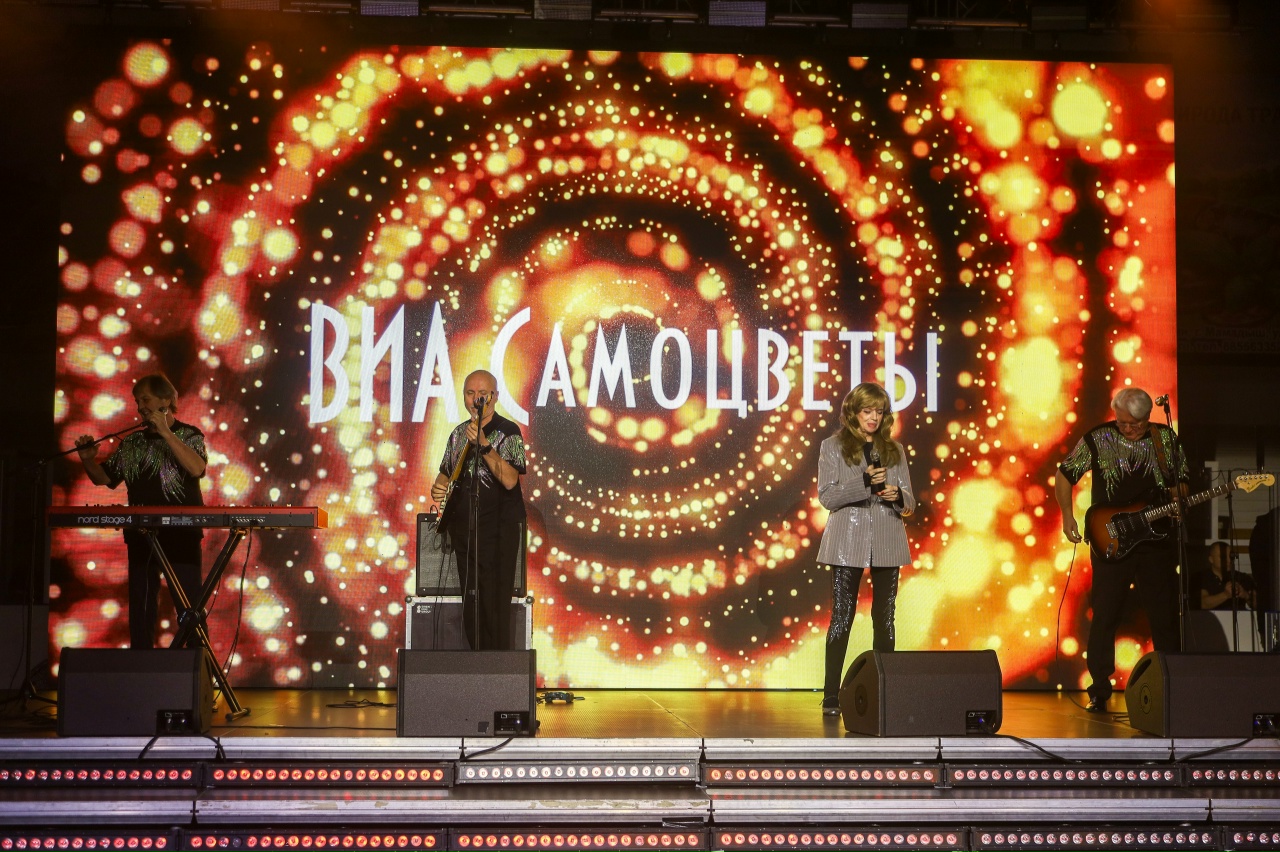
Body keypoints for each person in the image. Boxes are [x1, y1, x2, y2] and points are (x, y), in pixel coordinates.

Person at [1055, 387, 1188, 713]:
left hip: (1155, 541)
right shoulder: (1098, 438)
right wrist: (1067, 515)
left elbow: (1182, 483)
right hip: (1111, 537)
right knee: (1105, 614)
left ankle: (1170, 684)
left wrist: (1177, 500)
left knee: (1164, 614)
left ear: (1148, 418)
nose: (1129, 429)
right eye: (1123, 423)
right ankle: (1100, 689)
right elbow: (1064, 474)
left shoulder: (1164, 439)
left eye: (1136, 424)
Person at [75, 373, 208, 649]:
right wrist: (88, 460)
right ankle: (141, 663)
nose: (140, 407)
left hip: (182, 533)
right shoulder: (132, 443)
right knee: (141, 606)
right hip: (141, 534)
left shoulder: (190, 435)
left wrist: (166, 433)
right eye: (137, 401)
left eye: (145, 400)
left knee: (189, 605)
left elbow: (197, 468)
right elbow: (104, 478)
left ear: (166, 400)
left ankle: (198, 664)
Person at [816, 382, 916, 716]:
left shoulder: (894, 450)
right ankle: (831, 695)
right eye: (867, 411)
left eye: (879, 412)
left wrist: (897, 495)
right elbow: (827, 496)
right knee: (842, 615)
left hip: (887, 536)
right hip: (847, 541)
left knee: (884, 617)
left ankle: (884, 691)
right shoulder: (832, 447)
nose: (873, 418)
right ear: (853, 412)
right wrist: (863, 483)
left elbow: (910, 501)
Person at [429, 370, 527, 650]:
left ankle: (497, 665)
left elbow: (510, 480)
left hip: (498, 531)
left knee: (495, 602)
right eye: (470, 393)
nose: (476, 399)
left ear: (494, 396)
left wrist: (484, 445)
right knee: (470, 601)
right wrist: (439, 487)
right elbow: (445, 473)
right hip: (465, 531)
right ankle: (476, 663)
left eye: (482, 393)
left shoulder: (509, 431)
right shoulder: (458, 434)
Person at [1195, 541, 1256, 612]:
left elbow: (1259, 604)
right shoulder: (1200, 578)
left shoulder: (1242, 577)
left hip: (1241, 618)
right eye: (1223, 557)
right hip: (1209, 618)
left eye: (1230, 556)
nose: (1229, 560)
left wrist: (1245, 595)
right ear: (1211, 559)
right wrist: (1225, 595)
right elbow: (1201, 603)